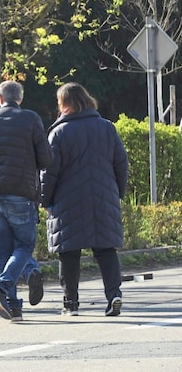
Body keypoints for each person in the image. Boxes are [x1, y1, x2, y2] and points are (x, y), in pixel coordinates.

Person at [40, 82, 129, 317]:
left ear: (64, 104)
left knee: (68, 253)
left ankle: (71, 304)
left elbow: (49, 172)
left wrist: (44, 199)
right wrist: (116, 193)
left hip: (67, 201)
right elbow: (121, 163)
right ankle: (114, 295)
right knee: (106, 250)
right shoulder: (106, 127)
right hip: (103, 198)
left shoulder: (58, 133)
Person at [0, 81, 52, 321]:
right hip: (21, 193)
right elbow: (46, 159)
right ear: (20, 98)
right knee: (24, 246)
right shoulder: (31, 119)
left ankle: (14, 307)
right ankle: (2, 287)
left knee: (1, 251)